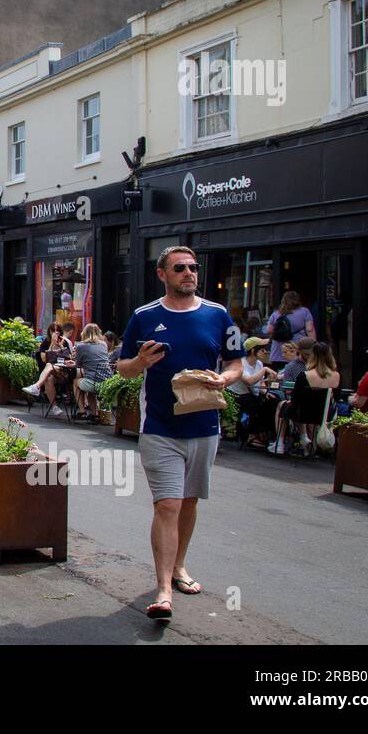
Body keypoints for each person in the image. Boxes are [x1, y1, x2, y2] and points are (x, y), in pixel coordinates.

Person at [117, 246, 244, 622]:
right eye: (180, 268)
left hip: (205, 427)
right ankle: (163, 590)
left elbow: (236, 363)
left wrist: (226, 378)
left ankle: (179, 566)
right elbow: (123, 368)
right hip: (160, 427)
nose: (189, 273)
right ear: (163, 274)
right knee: (168, 504)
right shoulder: (144, 317)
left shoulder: (219, 315)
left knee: (189, 502)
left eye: (193, 267)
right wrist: (140, 362)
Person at [281, 341, 340, 456]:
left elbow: (296, 399)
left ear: (313, 356)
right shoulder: (336, 375)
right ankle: (311, 446)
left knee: (282, 405)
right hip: (326, 414)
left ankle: (281, 443)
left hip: (304, 414)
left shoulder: (305, 375)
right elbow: (335, 398)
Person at [231, 336, 279, 447]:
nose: (266, 352)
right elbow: (249, 381)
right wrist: (265, 370)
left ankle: (267, 434)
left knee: (272, 401)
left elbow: (260, 383)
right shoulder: (241, 363)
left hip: (253, 394)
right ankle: (252, 435)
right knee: (255, 404)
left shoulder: (259, 364)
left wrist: (266, 392)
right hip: (238, 395)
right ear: (253, 350)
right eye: (263, 349)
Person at [265, 291, 317, 368]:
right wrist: (313, 345)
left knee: (279, 376)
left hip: (277, 352)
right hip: (296, 351)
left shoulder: (276, 313)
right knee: (297, 376)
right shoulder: (304, 311)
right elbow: (310, 329)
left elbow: (269, 330)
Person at [73, 324, 114, 418]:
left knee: (75, 382)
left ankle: (82, 411)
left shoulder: (81, 346)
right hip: (107, 381)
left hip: (93, 383)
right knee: (90, 387)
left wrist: (73, 362)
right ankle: (94, 414)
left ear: (84, 333)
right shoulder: (103, 344)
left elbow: (78, 363)